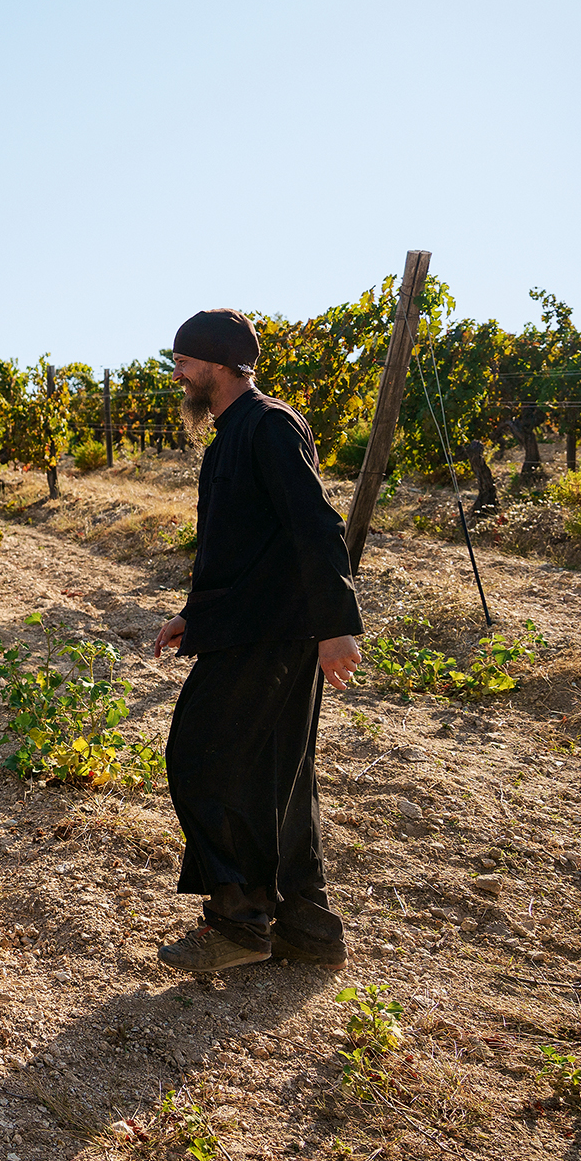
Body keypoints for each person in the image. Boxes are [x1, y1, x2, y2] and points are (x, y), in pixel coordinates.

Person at [151, 310, 364, 974]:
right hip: (248, 626)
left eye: (183, 362)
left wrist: (336, 625)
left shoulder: (268, 426)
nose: (178, 376)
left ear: (214, 364)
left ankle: (239, 923)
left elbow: (315, 526)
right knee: (280, 779)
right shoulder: (233, 434)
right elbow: (237, 546)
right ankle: (308, 929)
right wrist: (196, 616)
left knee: (203, 759)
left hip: (276, 633)